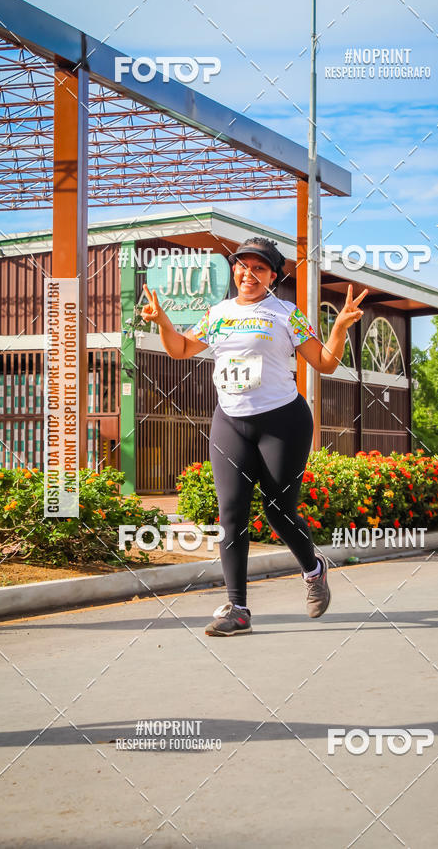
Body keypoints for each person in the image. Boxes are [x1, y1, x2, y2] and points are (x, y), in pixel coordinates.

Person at [141, 236, 367, 636]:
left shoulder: (286, 313)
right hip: (230, 421)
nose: (248, 274)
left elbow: (325, 363)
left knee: (279, 511)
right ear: (235, 271)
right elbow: (179, 350)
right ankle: (238, 609)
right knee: (231, 514)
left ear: (273, 276)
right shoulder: (218, 313)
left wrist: (340, 329)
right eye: (242, 266)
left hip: (283, 422)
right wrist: (163, 323)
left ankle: (313, 570)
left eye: (259, 268)